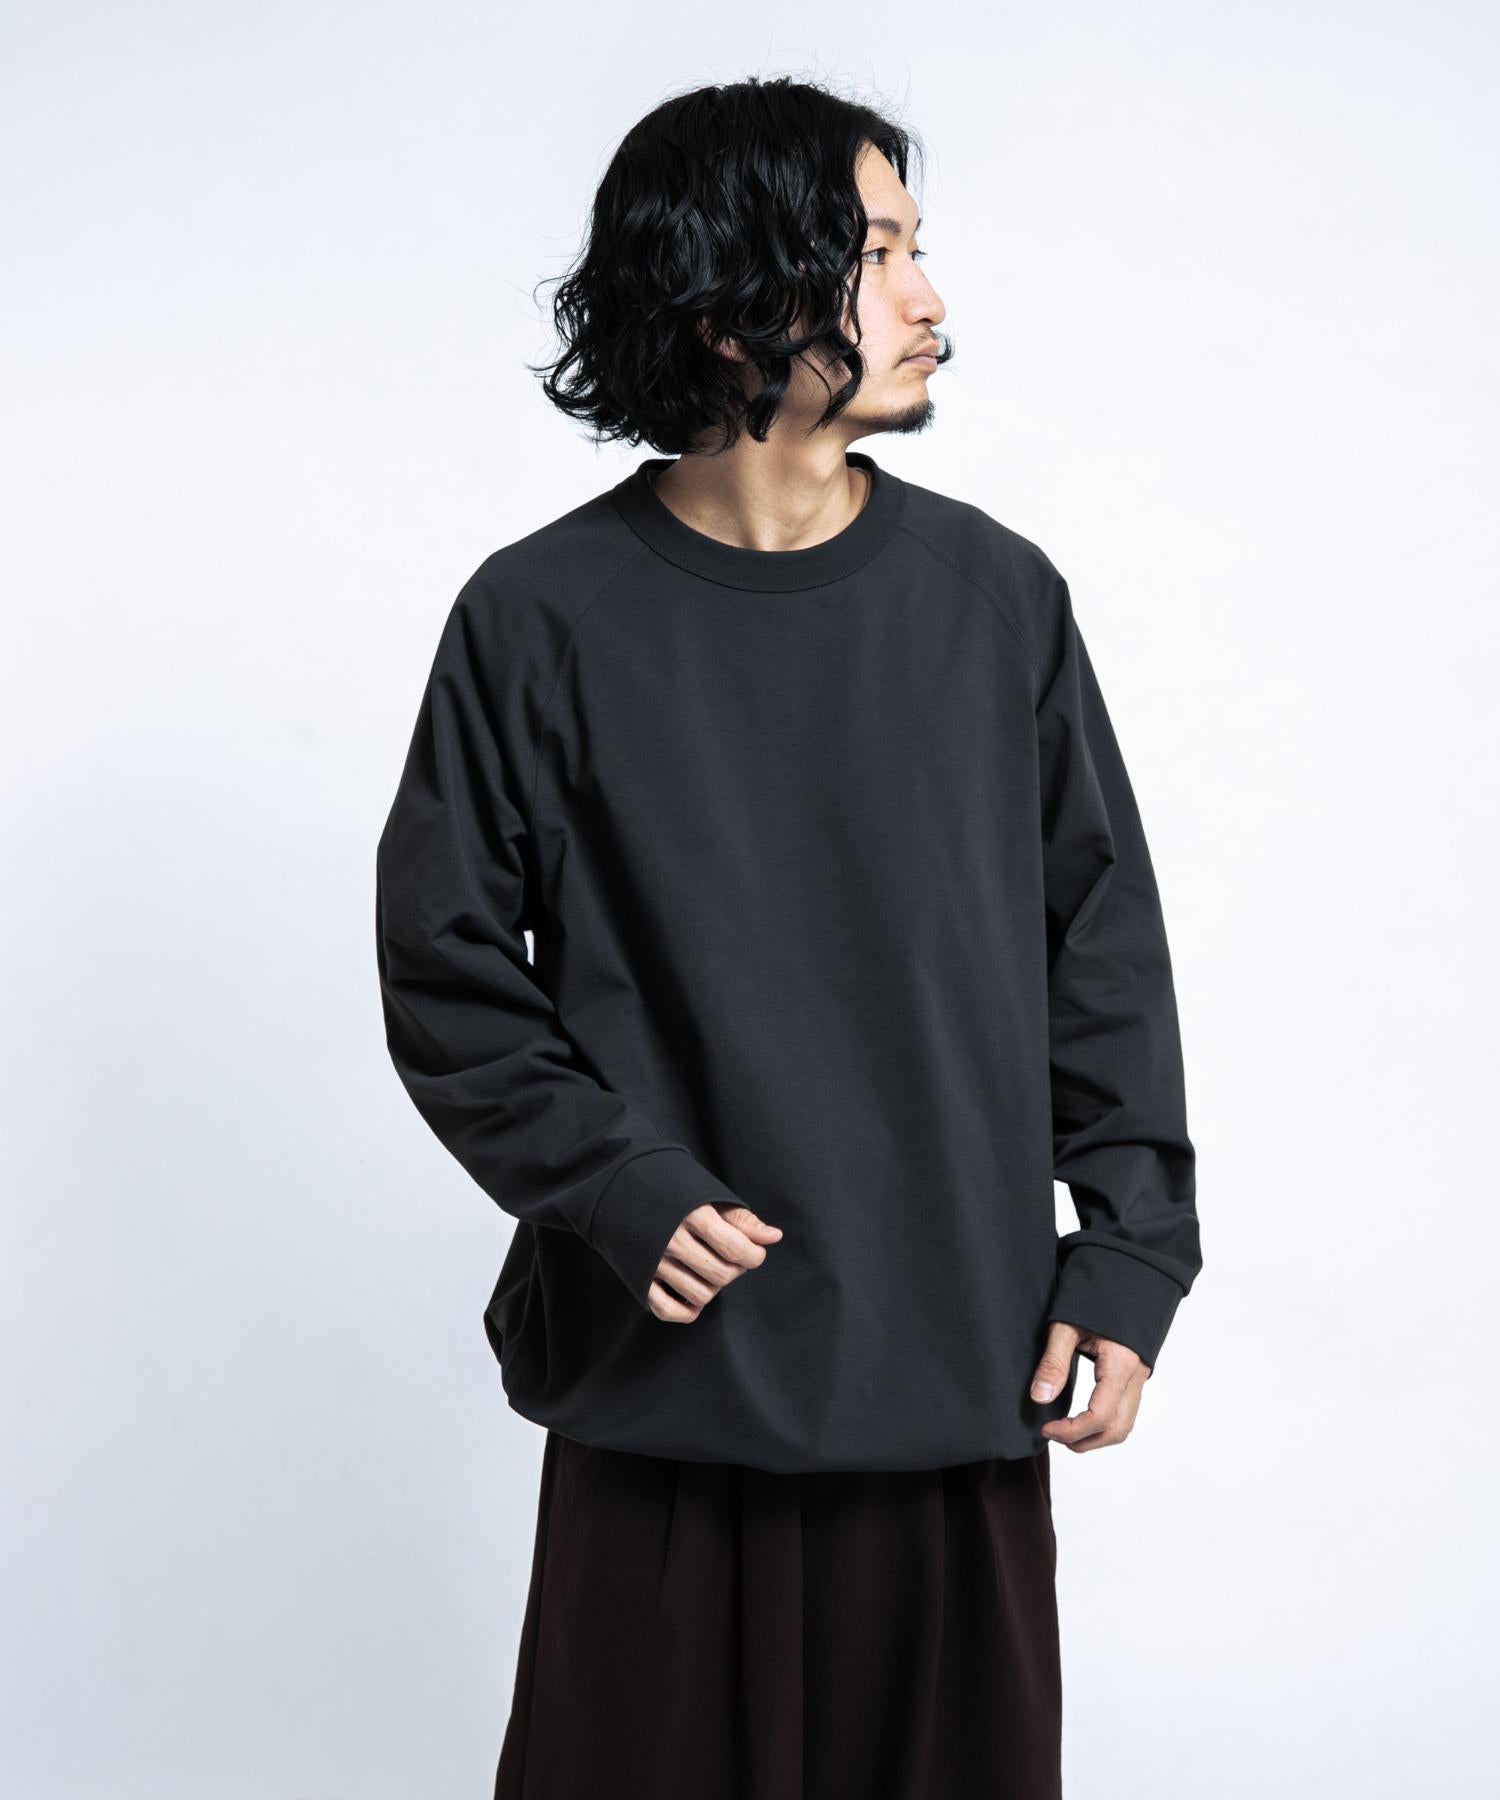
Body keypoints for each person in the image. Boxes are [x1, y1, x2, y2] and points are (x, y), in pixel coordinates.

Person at [374, 74, 1201, 1800]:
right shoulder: (539, 620)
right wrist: (613, 1183)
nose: (930, 299)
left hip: (954, 1378)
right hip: (665, 1400)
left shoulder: (996, 602)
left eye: (916, 249)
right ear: (732, 304)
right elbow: (446, 967)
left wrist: (1130, 1259)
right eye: (878, 253)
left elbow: (1102, 950)